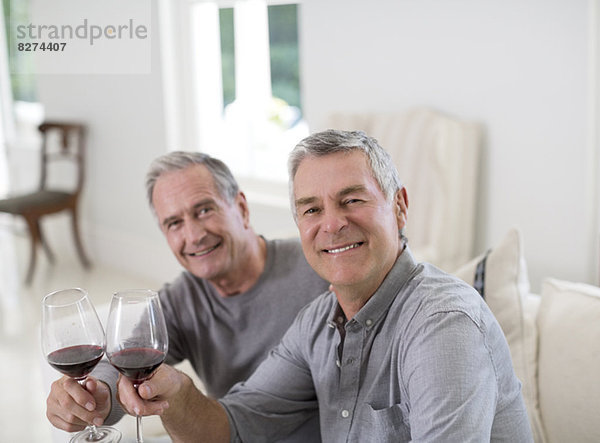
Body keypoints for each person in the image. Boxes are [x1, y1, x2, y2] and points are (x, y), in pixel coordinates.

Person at [116, 129, 534, 442]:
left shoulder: (443, 325)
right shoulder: (318, 323)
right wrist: (178, 392)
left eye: (352, 200)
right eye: (312, 209)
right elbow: (233, 428)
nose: (332, 224)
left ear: (400, 207)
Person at [45, 152, 329, 441]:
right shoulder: (181, 300)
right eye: (174, 223)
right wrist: (97, 396)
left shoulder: (320, 268)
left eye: (204, 210)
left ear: (241, 208)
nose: (193, 236)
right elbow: (119, 363)